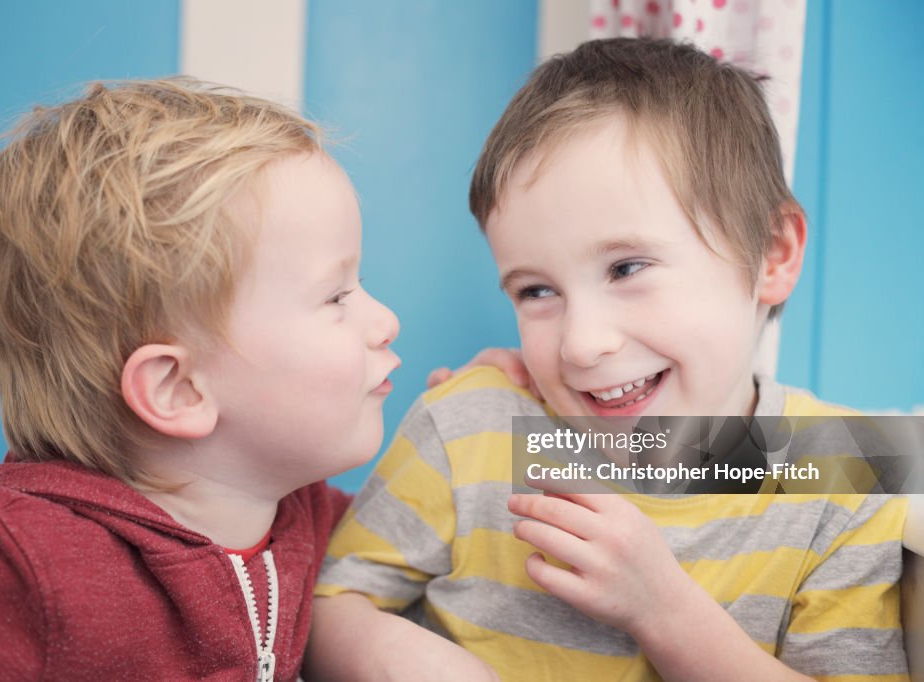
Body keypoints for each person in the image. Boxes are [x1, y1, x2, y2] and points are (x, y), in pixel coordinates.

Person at [308, 39, 908, 681]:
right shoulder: (473, 427)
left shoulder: (844, 471)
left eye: (627, 268)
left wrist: (666, 612)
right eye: (536, 291)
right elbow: (323, 612)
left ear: (773, 255)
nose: (580, 344)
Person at [0, 79, 427, 681]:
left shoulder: (308, 517)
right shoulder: (1, 559)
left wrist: (514, 402)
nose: (386, 321)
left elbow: (488, 492)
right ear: (178, 389)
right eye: (336, 295)